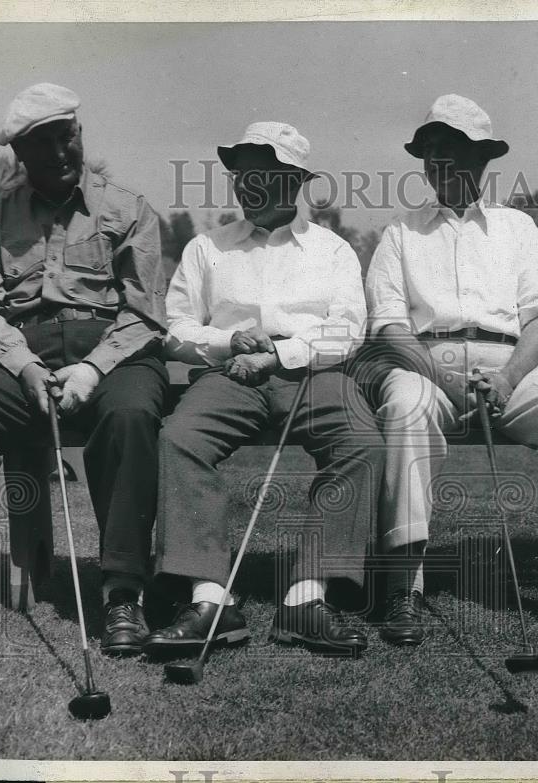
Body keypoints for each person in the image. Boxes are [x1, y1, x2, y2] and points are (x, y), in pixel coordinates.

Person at [0, 83, 168, 657]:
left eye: (65, 136)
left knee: (129, 415)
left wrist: (92, 371)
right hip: (23, 353)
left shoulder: (129, 208)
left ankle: (123, 592)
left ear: (80, 134)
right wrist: (25, 366)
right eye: (42, 143)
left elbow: (146, 312)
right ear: (19, 155)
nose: (58, 152)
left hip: (115, 353)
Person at [364, 94, 538, 647]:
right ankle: (404, 587)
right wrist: (442, 379)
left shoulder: (517, 228)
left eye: (452, 151)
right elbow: (390, 328)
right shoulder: (399, 232)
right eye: (430, 152)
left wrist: (510, 377)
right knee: (405, 406)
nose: (438, 163)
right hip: (425, 365)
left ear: (482, 161)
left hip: (512, 366)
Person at [143, 122, 384, 659]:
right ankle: (210, 600)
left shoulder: (333, 249)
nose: (247, 185)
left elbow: (348, 330)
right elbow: (177, 329)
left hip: (312, 372)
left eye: (264, 173)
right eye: (241, 174)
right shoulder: (207, 247)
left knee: (361, 442)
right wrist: (230, 341)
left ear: (296, 179)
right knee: (180, 438)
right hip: (230, 376)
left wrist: (278, 355)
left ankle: (305, 598)